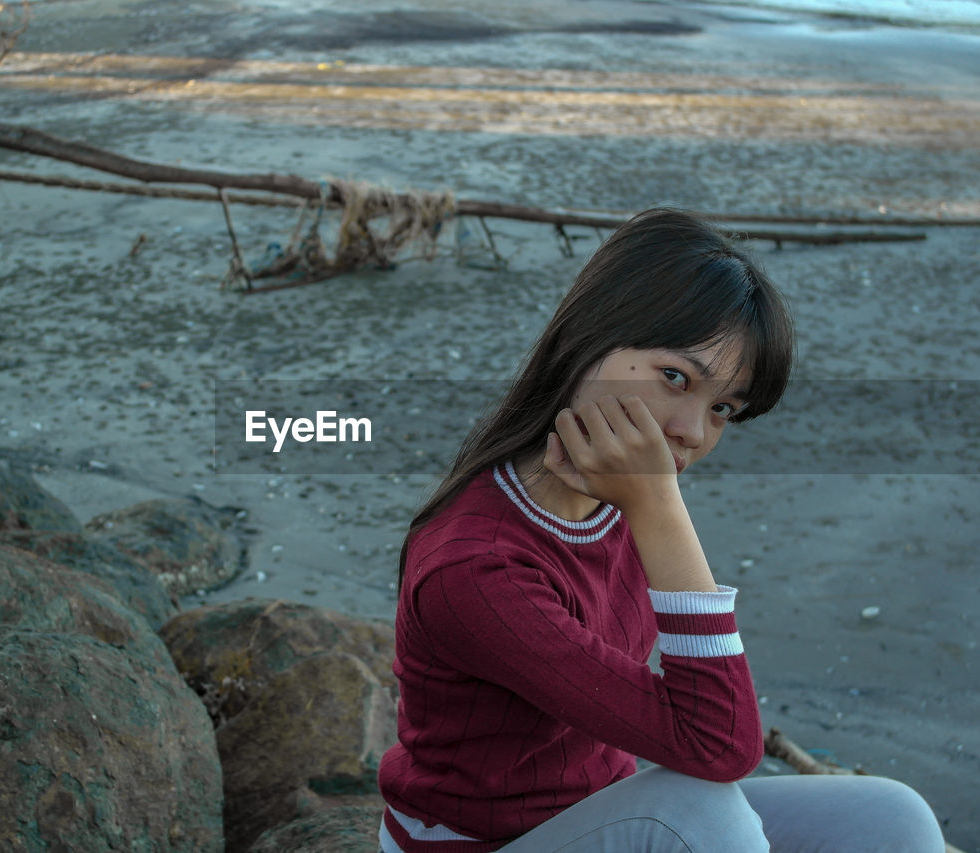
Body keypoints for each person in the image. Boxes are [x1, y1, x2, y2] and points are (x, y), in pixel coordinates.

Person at [377, 208, 946, 853]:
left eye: (723, 408)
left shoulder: (617, 500)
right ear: (592, 337)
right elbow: (721, 745)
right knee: (698, 816)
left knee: (893, 817)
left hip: (599, 814)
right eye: (675, 377)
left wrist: (648, 506)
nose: (694, 432)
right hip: (475, 843)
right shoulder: (475, 568)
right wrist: (658, 507)